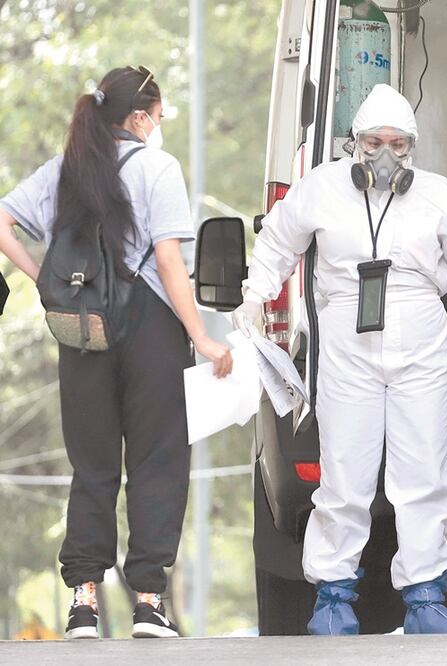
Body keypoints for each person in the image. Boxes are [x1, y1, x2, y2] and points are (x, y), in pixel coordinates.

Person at [231, 83, 447, 635]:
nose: (385, 154)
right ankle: (332, 598)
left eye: (398, 143)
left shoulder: (436, 194)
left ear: (411, 147)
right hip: (348, 340)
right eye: (374, 141)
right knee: (344, 473)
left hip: (421, 337)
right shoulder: (320, 189)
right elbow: (278, 240)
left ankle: (425, 597)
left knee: (423, 472)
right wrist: (255, 294)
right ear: (354, 143)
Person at [0, 66, 233, 640]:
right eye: (157, 115)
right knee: (156, 462)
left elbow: (2, 221)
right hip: (150, 328)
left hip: (81, 329)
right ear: (138, 117)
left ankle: (83, 604)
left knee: (92, 467)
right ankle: (149, 603)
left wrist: (44, 283)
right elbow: (170, 262)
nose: (158, 126)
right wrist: (201, 335)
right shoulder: (158, 167)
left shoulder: (65, 169)